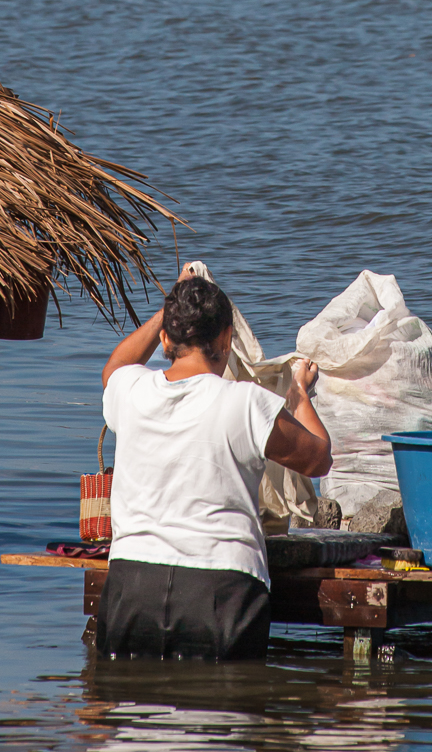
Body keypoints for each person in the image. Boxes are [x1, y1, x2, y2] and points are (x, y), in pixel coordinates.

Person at [96, 273, 331, 662]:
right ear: (227, 339)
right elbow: (318, 458)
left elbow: (116, 366)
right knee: (224, 712)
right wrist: (300, 394)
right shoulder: (245, 403)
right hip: (221, 588)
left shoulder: (131, 391)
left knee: (132, 713)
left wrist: (166, 313)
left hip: (132, 583)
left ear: (166, 340)